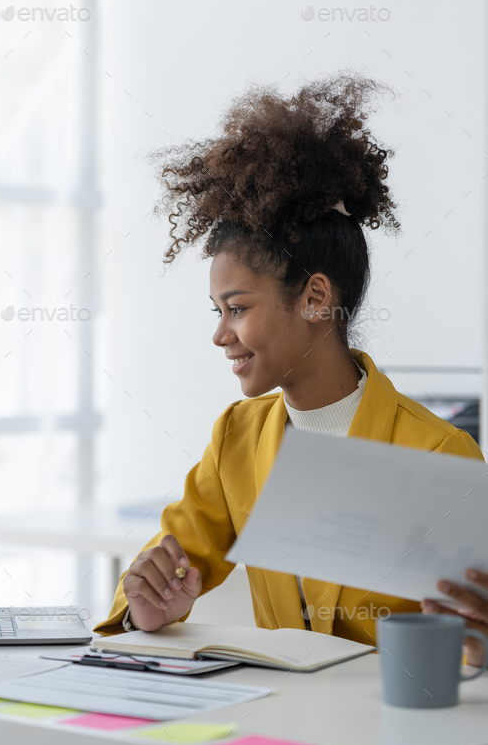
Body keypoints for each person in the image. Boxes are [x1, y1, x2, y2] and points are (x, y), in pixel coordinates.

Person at [95, 73, 483, 646]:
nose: (221, 335)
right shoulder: (236, 439)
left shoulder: (439, 453)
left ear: (315, 298)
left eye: (237, 308)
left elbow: (469, 641)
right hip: (279, 725)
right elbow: (164, 574)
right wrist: (147, 608)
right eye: (215, 312)